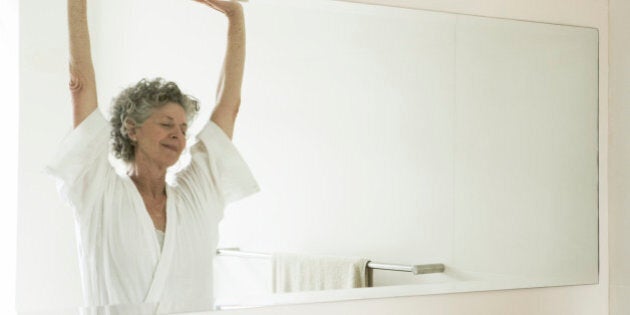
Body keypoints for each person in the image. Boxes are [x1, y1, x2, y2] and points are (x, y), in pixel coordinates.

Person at [45, 0, 259, 313]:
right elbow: (80, 85)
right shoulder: (98, 191)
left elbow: (230, 106)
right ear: (132, 129)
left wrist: (235, 14)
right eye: (166, 124)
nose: (178, 135)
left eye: (184, 128)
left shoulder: (198, 194)